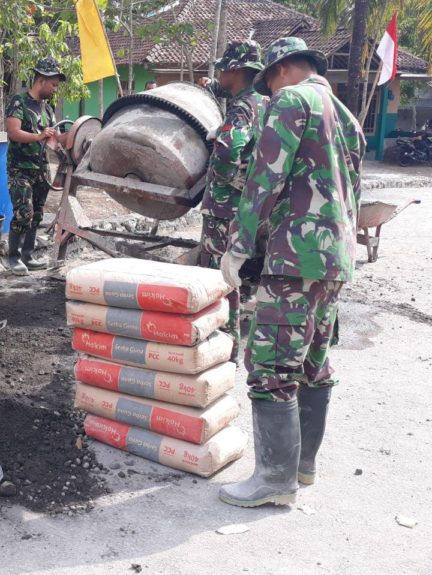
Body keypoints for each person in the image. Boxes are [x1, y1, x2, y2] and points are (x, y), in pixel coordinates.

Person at [218, 37, 365, 507]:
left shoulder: (292, 99)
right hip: (334, 260)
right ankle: (303, 468)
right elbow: (356, 192)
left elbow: (266, 177)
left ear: (281, 70)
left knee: (271, 366)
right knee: (314, 364)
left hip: (295, 256)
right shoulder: (344, 114)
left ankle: (274, 482)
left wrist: (239, 246)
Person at [196, 40, 267, 362]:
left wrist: (225, 181)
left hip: (225, 208)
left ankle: (223, 347)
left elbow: (227, 151)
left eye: (223, 68)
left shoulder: (241, 107)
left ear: (236, 70)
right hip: (249, 207)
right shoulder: (265, 103)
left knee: (219, 276)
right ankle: (232, 346)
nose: (219, 74)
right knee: (235, 273)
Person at [5, 57, 68, 275]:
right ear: (41, 80)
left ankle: (27, 256)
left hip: (41, 168)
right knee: (24, 212)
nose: (55, 89)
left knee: (37, 214)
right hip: (19, 168)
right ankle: (13, 258)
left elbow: (55, 140)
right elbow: (13, 132)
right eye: (53, 84)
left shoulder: (48, 110)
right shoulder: (19, 102)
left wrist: (73, 136)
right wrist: (39, 135)